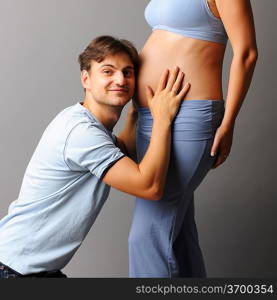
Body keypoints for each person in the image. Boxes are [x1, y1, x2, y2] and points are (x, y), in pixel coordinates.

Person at [0, 35, 191, 278]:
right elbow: (149, 186)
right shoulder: (81, 133)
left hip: (30, 269)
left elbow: (120, 151)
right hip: (13, 271)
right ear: (86, 79)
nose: (120, 79)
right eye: (108, 71)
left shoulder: (86, 124)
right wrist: (162, 119)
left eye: (128, 72)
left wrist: (137, 111)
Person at [128, 0, 258, 277]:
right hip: (152, 114)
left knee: (147, 236)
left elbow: (246, 53)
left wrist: (228, 122)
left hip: (188, 116)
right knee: (179, 237)